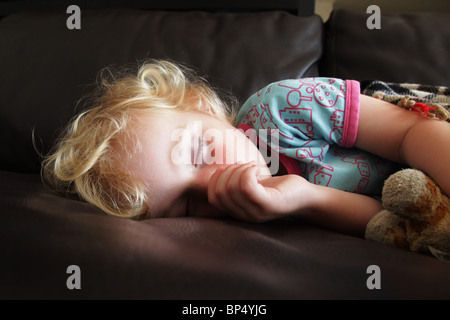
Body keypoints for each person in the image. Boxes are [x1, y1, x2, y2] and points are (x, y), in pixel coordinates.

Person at [42, 60, 450, 237]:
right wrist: (304, 200)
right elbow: (394, 218)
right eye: (186, 206)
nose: (212, 186)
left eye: (200, 153)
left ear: (201, 108)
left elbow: (412, 133)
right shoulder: (265, 214)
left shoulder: (280, 109)